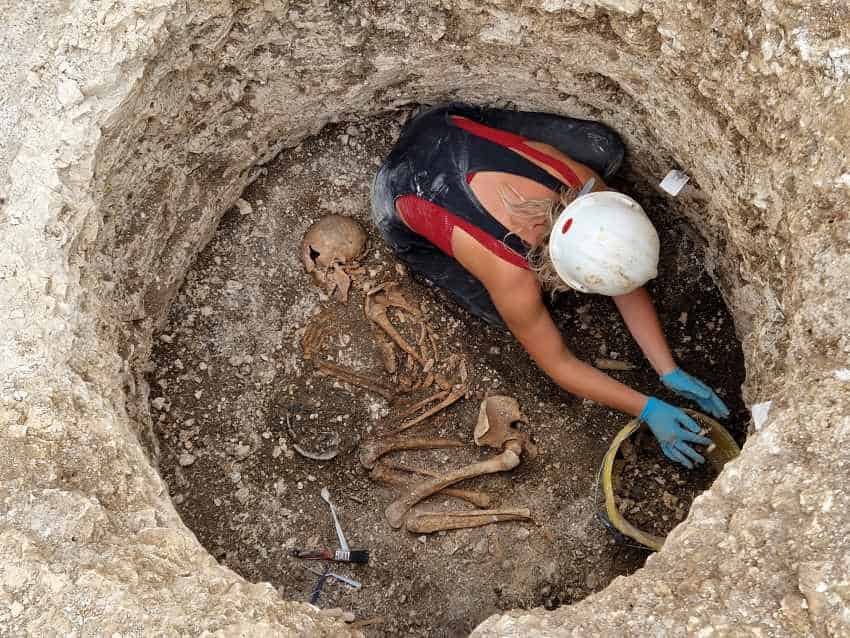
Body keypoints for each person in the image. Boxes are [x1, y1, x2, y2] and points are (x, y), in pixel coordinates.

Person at [371, 103, 729, 468]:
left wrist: (668, 369)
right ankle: (415, 236)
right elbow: (558, 363)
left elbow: (618, 270)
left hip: (445, 128)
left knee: (604, 148)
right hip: (397, 187)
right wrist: (647, 408)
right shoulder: (511, 278)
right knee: (499, 313)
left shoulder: (585, 187)